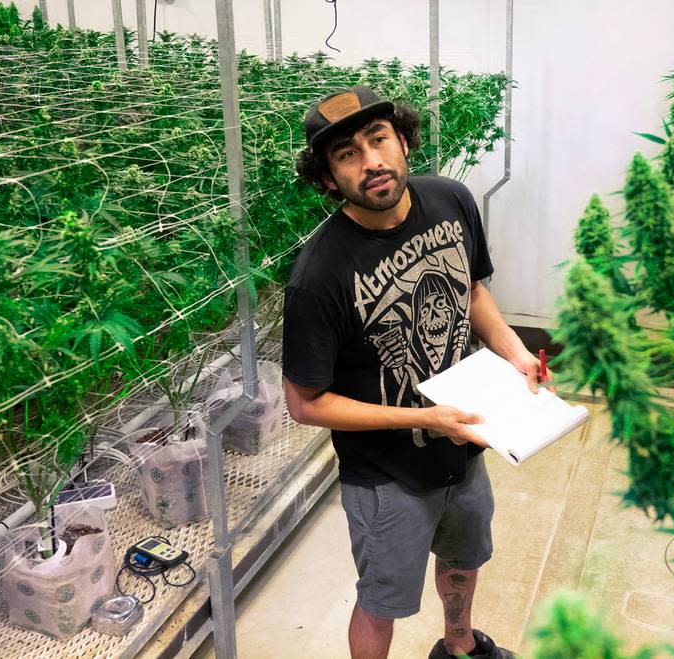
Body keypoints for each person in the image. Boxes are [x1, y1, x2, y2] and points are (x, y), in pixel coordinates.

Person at [283, 86, 547, 659]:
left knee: (463, 558)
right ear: (329, 180)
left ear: (403, 141)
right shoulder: (319, 275)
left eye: (379, 139)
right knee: (382, 599)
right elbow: (305, 403)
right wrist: (423, 417)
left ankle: (457, 647)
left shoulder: (451, 200)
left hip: (467, 441)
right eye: (347, 154)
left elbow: (471, 287)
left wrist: (513, 349)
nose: (372, 161)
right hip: (386, 476)